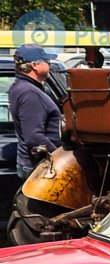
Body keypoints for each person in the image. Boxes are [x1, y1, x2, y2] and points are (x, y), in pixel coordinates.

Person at [8, 46, 61, 179]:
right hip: (40, 167)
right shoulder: (29, 93)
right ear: (35, 65)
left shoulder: (23, 87)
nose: (49, 64)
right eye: (46, 61)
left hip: (38, 165)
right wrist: (60, 158)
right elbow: (34, 137)